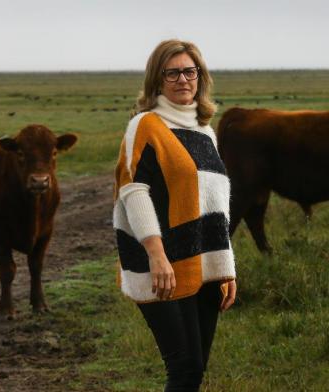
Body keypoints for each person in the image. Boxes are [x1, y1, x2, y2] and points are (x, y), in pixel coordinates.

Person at [113, 39, 237, 392]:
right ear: (157, 79)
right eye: (172, 73)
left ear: (200, 76)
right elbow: (134, 190)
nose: (183, 79)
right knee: (183, 367)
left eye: (189, 71)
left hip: (204, 263)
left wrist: (224, 267)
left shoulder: (205, 132)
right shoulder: (146, 125)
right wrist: (157, 254)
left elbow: (216, 207)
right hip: (162, 263)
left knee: (195, 370)